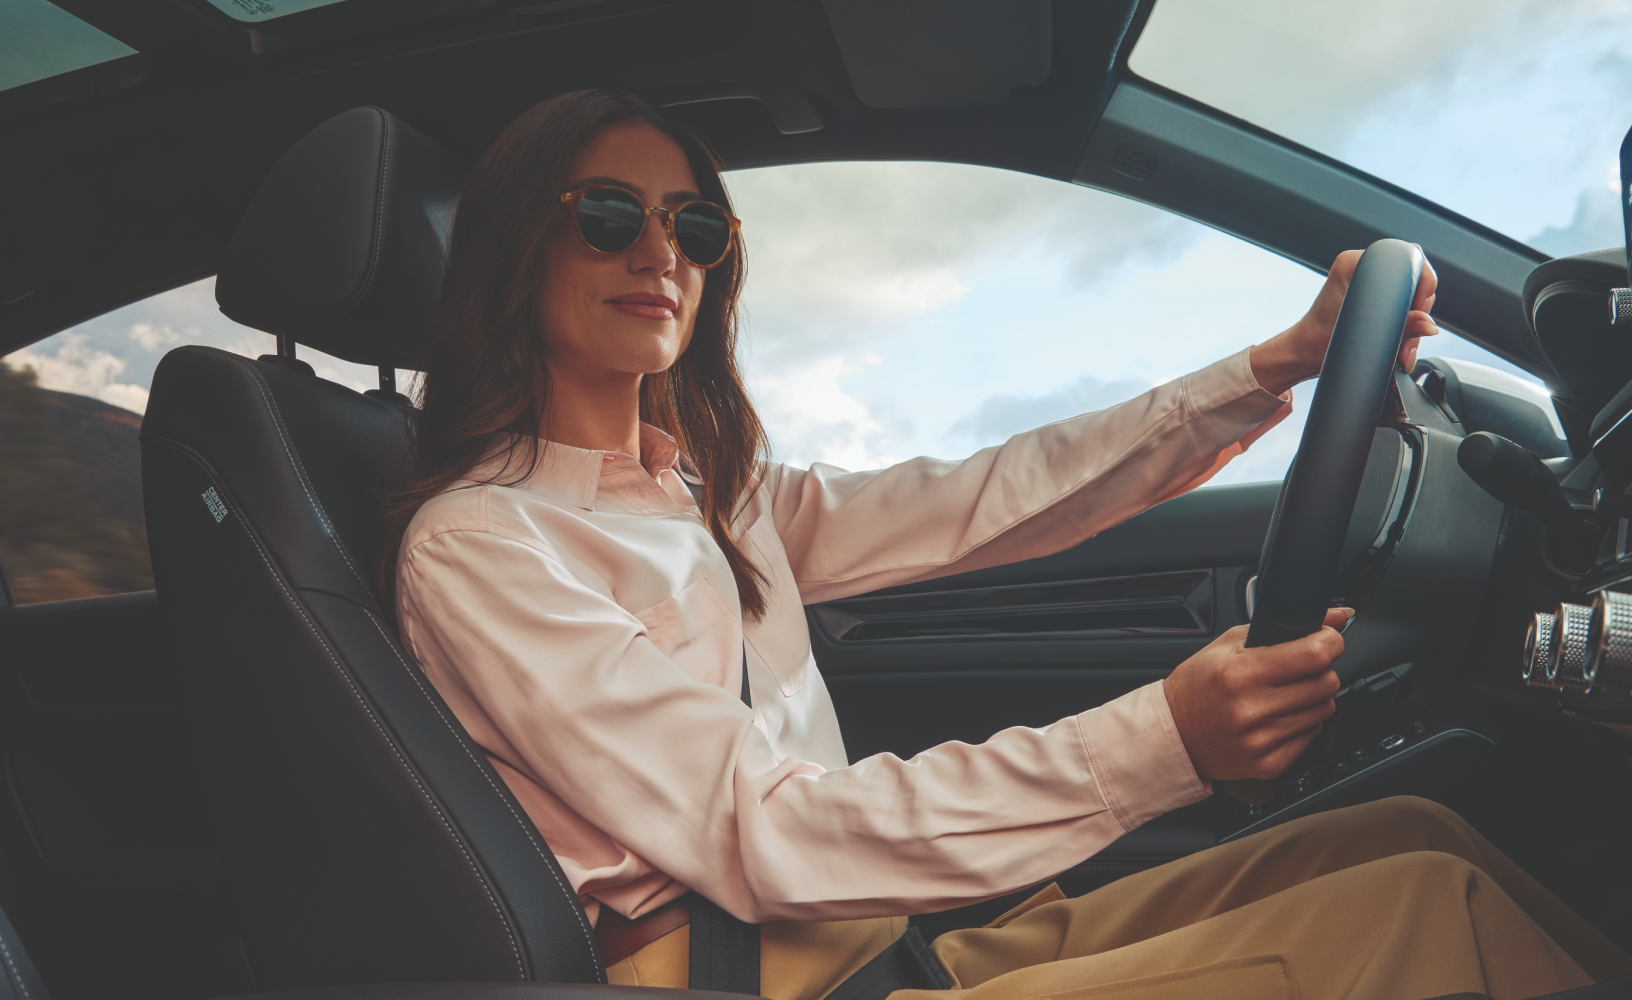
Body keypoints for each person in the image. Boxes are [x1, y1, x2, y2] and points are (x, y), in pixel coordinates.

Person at [383, 89, 1631, 1000]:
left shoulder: (712, 493)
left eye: (693, 227)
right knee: (1426, 911)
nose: (660, 252)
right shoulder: (483, 546)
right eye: (608, 215)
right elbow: (763, 833)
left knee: (1410, 837)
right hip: (761, 980)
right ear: (516, 244)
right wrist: (1166, 740)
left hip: (881, 942)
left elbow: (992, 496)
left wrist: (1263, 372)